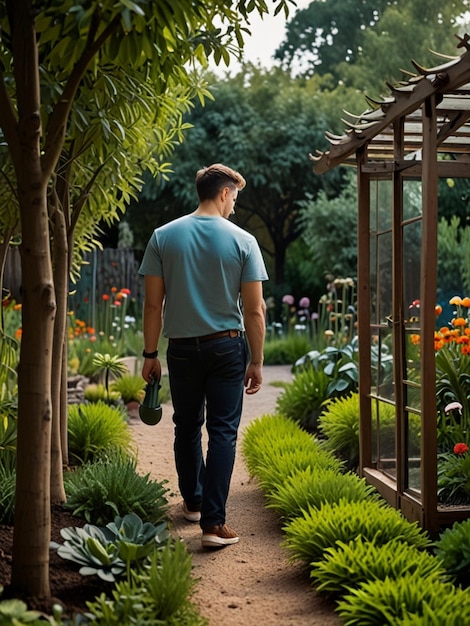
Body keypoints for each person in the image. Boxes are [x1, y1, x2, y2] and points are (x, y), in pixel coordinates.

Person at [139, 163, 267, 548]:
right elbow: (255, 310)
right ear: (225, 192)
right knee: (223, 431)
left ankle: (193, 502)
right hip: (228, 347)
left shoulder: (163, 236)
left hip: (180, 349)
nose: (234, 208)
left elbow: (151, 305)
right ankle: (213, 524)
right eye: (235, 199)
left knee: (187, 425)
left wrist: (149, 353)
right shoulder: (244, 241)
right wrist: (257, 361)